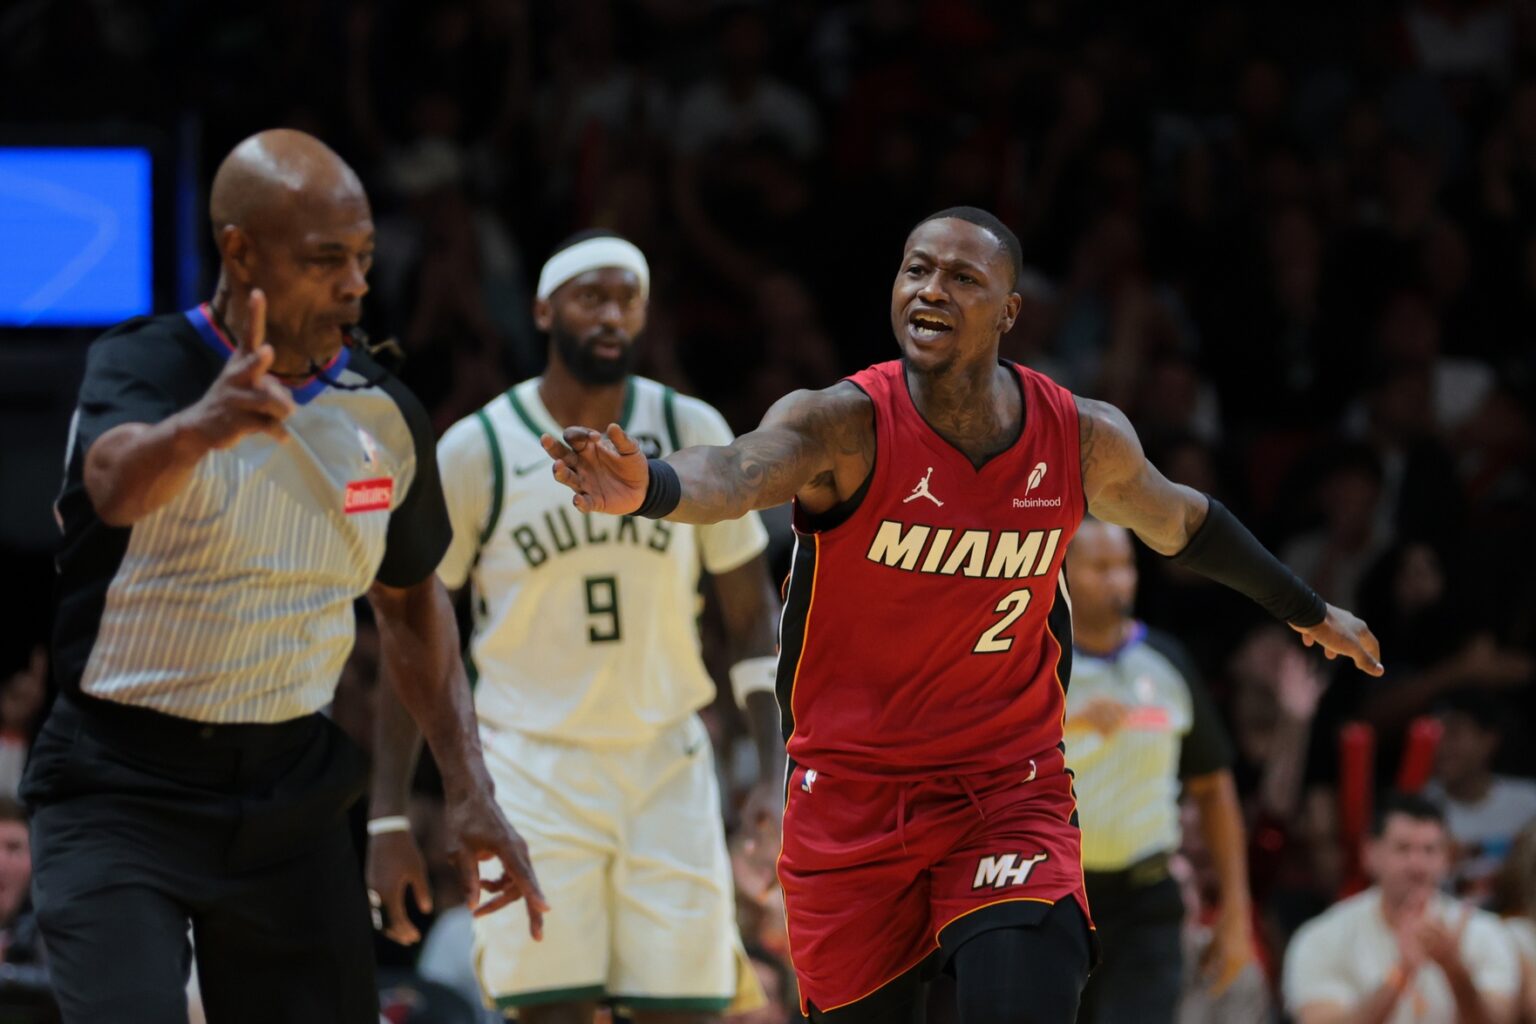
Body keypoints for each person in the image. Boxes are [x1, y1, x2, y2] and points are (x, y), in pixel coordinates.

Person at [542, 206, 1383, 1023]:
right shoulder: (844, 423)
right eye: (916, 270)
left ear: (1009, 311)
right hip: (851, 797)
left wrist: (1306, 610)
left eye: (961, 277)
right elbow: (733, 472)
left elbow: (1183, 521)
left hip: (1005, 786)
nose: (930, 291)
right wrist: (647, 486)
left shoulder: (1081, 437)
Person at [23, 129, 543, 1024]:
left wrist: (470, 790)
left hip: (287, 794)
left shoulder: (384, 411)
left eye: (365, 258)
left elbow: (415, 603)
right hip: (120, 785)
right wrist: (205, 427)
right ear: (240, 250)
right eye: (326, 259)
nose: (356, 284)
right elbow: (110, 484)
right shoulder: (144, 364)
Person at [370, 231, 782, 1022]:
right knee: (549, 1010)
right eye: (591, 296)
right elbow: (415, 632)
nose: (611, 314)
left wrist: (771, 767)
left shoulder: (691, 425)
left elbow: (749, 612)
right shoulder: (478, 447)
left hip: (666, 763)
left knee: (683, 1010)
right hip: (529, 769)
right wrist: (390, 810)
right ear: (543, 308)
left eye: (628, 298)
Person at [1063, 518, 1254, 1024]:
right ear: (1061, 573)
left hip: (1147, 898)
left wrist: (1236, 912)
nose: (1118, 580)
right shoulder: (1035, 664)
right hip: (1055, 897)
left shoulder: (1167, 662)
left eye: (1125, 566)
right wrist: (1073, 720)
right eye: (1100, 568)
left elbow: (1213, 789)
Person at [1283, 793, 1519, 1024]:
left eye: (1429, 850)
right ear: (1370, 854)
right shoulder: (1322, 936)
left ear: (1447, 858)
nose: (1416, 865)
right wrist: (1400, 973)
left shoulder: (1484, 932)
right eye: (1403, 849)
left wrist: (1455, 970)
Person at [1423, 691, 1536, 901]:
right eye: (1434, 734)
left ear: (1488, 740)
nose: (1441, 746)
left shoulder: (1529, 803)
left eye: (1453, 733)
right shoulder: (1418, 806)